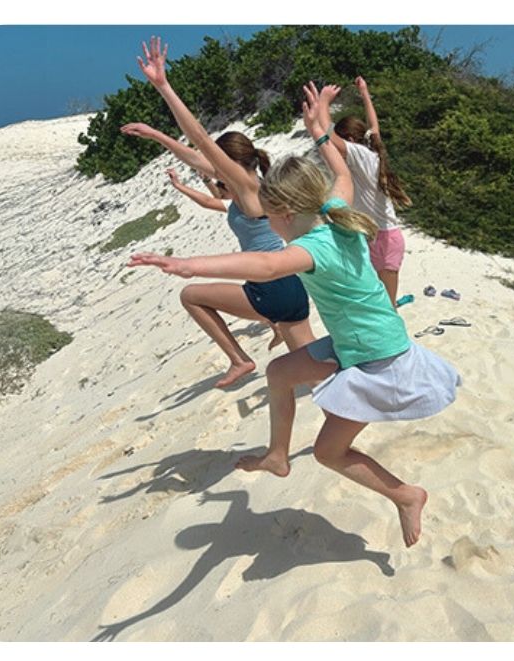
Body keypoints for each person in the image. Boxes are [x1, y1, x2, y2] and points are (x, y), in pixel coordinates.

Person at [130, 82, 460, 548]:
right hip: (358, 346)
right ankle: (277, 456)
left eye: (269, 214)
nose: (266, 220)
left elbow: (263, 265)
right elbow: (341, 172)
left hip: (379, 360)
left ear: (284, 212)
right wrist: (319, 128)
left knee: (329, 452)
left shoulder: (312, 248)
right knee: (281, 371)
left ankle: (406, 495)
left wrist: (187, 265)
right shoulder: (334, 212)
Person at [121, 37, 314, 388]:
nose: (212, 166)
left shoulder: (246, 187)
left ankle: (240, 359)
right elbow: (197, 156)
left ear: (231, 163)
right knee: (318, 370)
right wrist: (158, 136)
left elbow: (201, 141)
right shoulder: (258, 185)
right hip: (290, 286)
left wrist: (164, 86)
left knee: (191, 296)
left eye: (218, 162)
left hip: (272, 288)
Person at [317, 78, 411, 305]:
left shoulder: (360, 154)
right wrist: (365, 93)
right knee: (377, 302)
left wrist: (324, 103)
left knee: (387, 305)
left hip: (384, 239)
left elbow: (327, 135)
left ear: (350, 139)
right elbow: (374, 126)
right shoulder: (371, 152)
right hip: (371, 236)